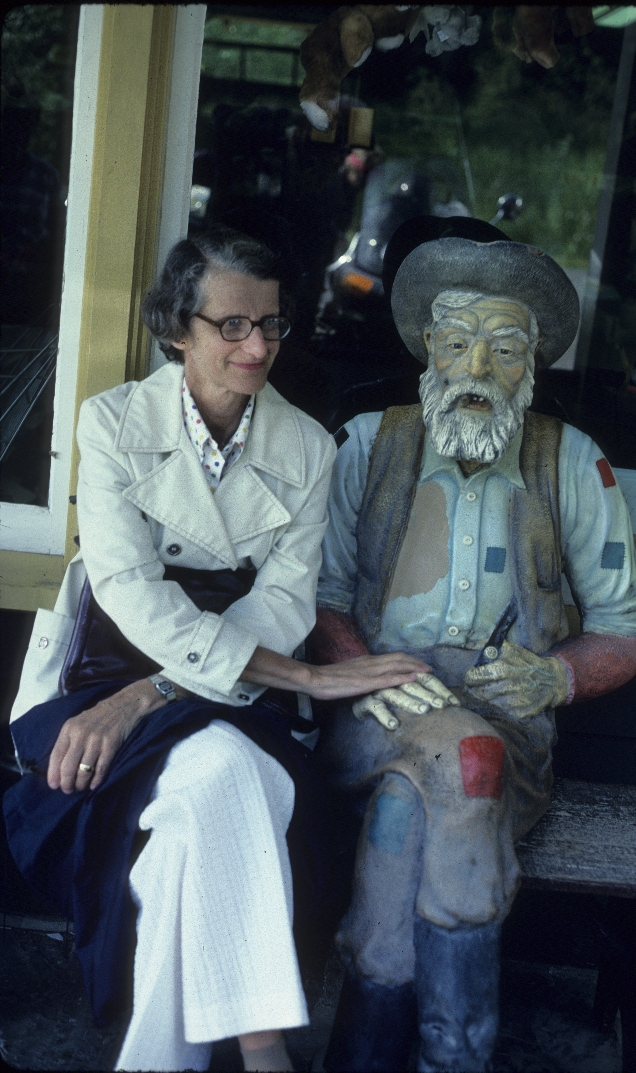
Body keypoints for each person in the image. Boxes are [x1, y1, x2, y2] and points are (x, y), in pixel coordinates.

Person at [3, 228, 433, 1072]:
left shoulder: (308, 448)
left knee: (196, 823)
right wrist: (289, 675)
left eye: (270, 324)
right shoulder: (112, 422)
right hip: (106, 666)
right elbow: (131, 591)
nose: (257, 346)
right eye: (231, 325)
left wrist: (149, 698)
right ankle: (265, 1046)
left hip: (235, 684)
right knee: (237, 782)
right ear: (177, 329)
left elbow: (283, 603)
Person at [310, 225, 636, 1071]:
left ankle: (362, 1056)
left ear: (531, 364)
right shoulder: (364, 445)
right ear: (429, 348)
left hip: (510, 728)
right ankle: (456, 1054)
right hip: (377, 713)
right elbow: (319, 597)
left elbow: (624, 629)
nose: (477, 368)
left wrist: (557, 675)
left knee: (408, 811)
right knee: (467, 762)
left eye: (503, 349)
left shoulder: (573, 463)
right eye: (458, 342)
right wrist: (356, 667)